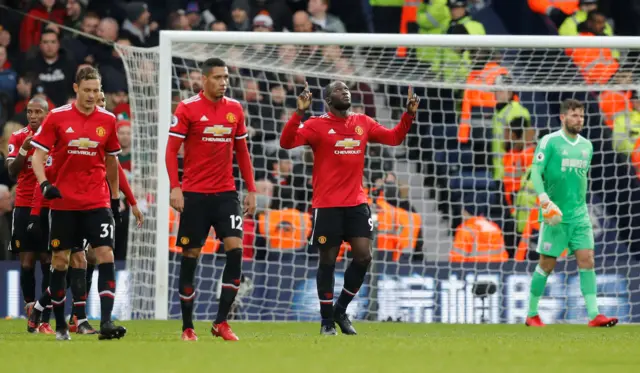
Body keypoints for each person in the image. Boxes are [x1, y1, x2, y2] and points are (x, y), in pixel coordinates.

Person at [280, 81, 419, 335]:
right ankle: (326, 322)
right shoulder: (315, 124)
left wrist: (408, 115)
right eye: (337, 90)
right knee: (328, 261)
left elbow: (394, 137)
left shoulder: (362, 122)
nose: (344, 91)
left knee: (364, 256)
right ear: (328, 100)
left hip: (356, 202)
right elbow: (286, 142)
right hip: (327, 205)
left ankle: (340, 309)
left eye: (346, 89)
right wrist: (299, 113)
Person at [28, 66, 127, 340]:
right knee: (60, 261)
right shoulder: (58, 118)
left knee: (105, 253)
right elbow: (38, 157)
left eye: (96, 91)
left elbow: (111, 162)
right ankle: (60, 325)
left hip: (96, 200)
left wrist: (116, 198)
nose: (92, 96)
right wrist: (45, 184)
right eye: (87, 90)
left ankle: (105, 322)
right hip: (64, 202)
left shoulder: (107, 119)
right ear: (76, 89)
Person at [165, 58, 257, 342]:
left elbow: (242, 152)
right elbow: (171, 151)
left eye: (225, 77)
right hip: (194, 194)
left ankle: (221, 322)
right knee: (190, 256)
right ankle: (188, 326)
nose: (223, 82)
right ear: (204, 79)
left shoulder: (235, 109)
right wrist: (176, 187)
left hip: (226, 194)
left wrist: (251, 189)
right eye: (217, 77)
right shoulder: (187, 108)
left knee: (235, 249)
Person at [525, 99, 618, 328]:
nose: (579, 120)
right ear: (563, 117)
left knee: (587, 260)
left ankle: (594, 315)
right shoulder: (550, 142)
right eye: (575, 115)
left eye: (582, 116)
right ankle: (532, 313)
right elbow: (536, 172)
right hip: (555, 215)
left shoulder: (587, 146)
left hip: (579, 214)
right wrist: (545, 201)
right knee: (547, 264)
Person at [6, 97, 54, 334]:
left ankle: (43, 317)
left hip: (48, 204)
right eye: (29, 112)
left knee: (47, 260)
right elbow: (12, 171)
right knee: (26, 262)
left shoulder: (55, 136)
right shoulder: (18, 137)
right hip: (23, 204)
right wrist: (25, 148)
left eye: (38, 112)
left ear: (47, 113)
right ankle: (29, 309)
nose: (33, 116)